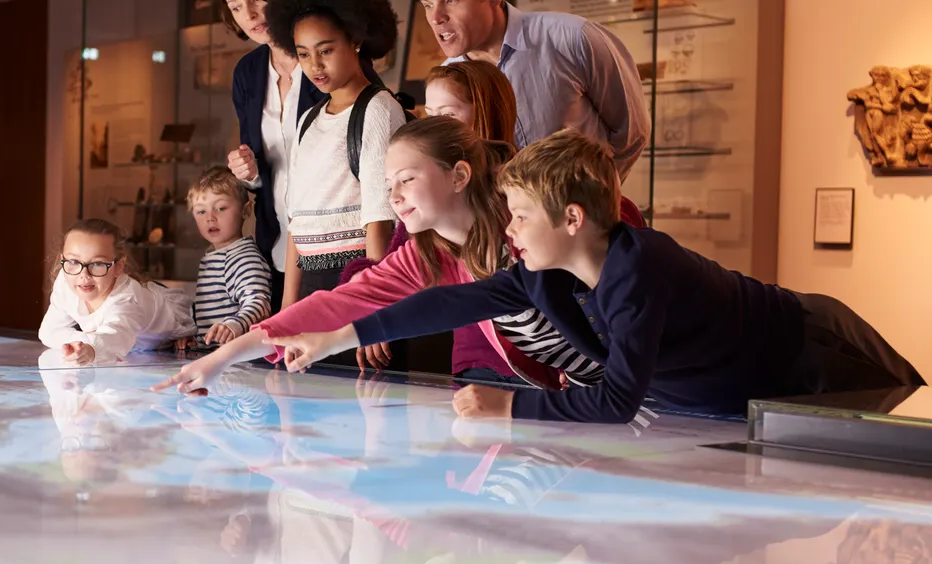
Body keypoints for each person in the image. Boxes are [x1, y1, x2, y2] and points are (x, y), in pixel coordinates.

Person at [263, 130, 925, 421]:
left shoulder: (641, 269)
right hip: (739, 398)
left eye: (521, 216)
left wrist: (508, 405)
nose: (509, 230)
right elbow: (447, 305)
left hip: (821, 353)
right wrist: (334, 338)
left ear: (573, 218)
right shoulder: (540, 274)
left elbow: (617, 401)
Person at [152, 116, 597, 398]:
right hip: (582, 396)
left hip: (622, 389)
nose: (395, 197)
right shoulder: (427, 253)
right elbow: (336, 304)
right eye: (388, 186)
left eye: (407, 179)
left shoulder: (526, 226)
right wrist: (221, 358)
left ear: (459, 176)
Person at [339, 60, 520, 378]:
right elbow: (388, 269)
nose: (435, 125)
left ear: (487, 113)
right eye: (429, 114)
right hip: (473, 360)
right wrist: (368, 311)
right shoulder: (422, 206)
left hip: (542, 363)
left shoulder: (525, 187)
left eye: (447, 115)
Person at [421, 0, 648, 226]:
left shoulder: (572, 37)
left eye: (450, 0)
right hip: (508, 233)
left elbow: (631, 132)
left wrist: (592, 200)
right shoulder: (444, 80)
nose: (436, 18)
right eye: (428, 4)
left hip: (590, 224)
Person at [265, 0, 405, 315]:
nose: (315, 65)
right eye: (303, 54)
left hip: (356, 275)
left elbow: (379, 217)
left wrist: (375, 306)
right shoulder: (308, 120)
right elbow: (297, 221)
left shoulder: (378, 109)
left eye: (325, 50)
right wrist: (287, 306)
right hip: (308, 281)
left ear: (355, 40)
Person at [223, 0, 324, 314]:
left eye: (256, 0)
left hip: (329, 239)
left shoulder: (325, 59)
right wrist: (249, 172)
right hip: (275, 239)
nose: (249, 14)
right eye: (236, 7)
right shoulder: (247, 72)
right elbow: (257, 163)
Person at [39, 218, 195, 366]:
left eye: (97, 263)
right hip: (134, 347)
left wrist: (91, 347)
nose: (83, 275)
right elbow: (48, 332)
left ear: (118, 266)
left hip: (170, 325)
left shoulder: (127, 298)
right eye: (73, 261)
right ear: (63, 259)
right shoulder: (66, 280)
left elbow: (115, 337)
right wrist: (83, 342)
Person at [185, 167, 273, 348]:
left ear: (246, 211)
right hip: (218, 356)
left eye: (221, 208)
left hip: (239, 358)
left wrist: (234, 325)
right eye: (201, 211)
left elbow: (259, 303)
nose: (210, 218)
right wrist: (197, 338)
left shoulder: (243, 258)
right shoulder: (213, 257)